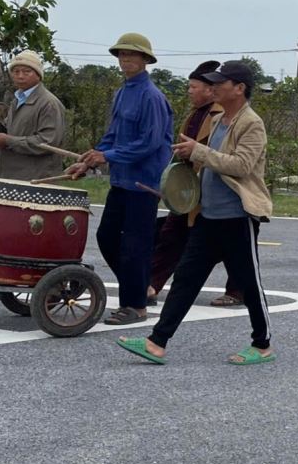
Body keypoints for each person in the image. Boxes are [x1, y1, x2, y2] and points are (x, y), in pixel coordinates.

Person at [116, 61, 275, 366]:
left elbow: (241, 165)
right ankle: (156, 342)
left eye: (220, 83)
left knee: (248, 283)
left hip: (237, 217)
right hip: (209, 216)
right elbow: (209, 166)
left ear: (239, 89)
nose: (213, 87)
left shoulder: (251, 123)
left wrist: (198, 151)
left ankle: (263, 343)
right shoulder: (218, 121)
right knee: (185, 279)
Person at [67, 33, 173, 326]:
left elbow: (150, 143)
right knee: (107, 237)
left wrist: (109, 156)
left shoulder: (152, 97)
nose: (126, 60)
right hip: (121, 180)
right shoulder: (122, 92)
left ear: (145, 60)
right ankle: (139, 287)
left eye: (132, 55)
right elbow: (113, 136)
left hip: (143, 183)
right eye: (122, 55)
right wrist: (91, 159)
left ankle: (135, 305)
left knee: (135, 246)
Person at [147, 61, 230, 306]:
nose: (189, 91)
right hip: (188, 189)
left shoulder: (222, 116)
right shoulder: (194, 114)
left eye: (193, 87)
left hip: (214, 189)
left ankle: (237, 290)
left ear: (209, 89)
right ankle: (152, 284)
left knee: (229, 243)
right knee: (171, 235)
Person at [0, 50, 68, 182]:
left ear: (38, 75)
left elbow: (48, 142)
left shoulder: (49, 103)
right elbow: (10, 132)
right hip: (13, 175)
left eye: (26, 72)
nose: (20, 76)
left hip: (38, 179)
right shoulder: (17, 99)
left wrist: (9, 141)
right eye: (16, 72)